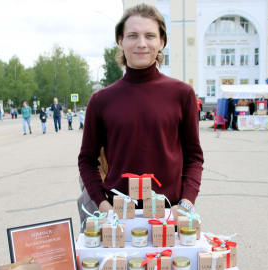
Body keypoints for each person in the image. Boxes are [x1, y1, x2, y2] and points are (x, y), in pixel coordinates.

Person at [78, 4, 203, 219]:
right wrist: (103, 205)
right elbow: (87, 160)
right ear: (120, 41)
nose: (141, 44)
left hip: (170, 215)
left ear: (162, 42)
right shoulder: (101, 100)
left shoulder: (182, 94)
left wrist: (186, 204)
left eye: (150, 36)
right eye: (133, 35)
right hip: (117, 217)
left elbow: (194, 157)